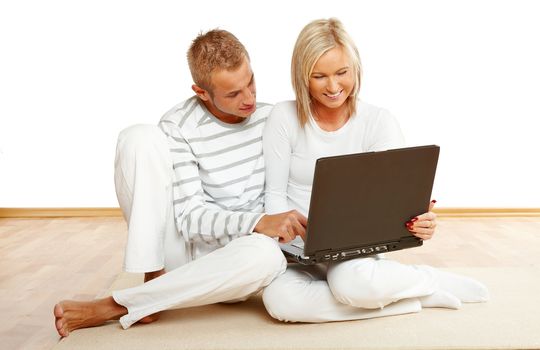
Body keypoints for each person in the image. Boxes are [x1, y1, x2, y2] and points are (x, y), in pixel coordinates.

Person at [53, 29, 306, 337]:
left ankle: (124, 304)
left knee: (267, 257)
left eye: (250, 81)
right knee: (139, 138)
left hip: (244, 254)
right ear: (202, 92)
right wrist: (258, 221)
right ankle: (154, 276)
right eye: (233, 94)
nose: (249, 98)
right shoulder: (179, 125)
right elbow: (190, 218)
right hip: (190, 250)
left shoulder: (273, 118)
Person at [261, 18, 489, 323]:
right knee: (280, 302)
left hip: (354, 252)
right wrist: (291, 242)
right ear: (302, 77)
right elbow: (274, 196)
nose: (333, 87)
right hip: (297, 254)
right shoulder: (283, 117)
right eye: (319, 76)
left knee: (350, 284)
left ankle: (426, 280)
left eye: (342, 73)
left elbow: (397, 198)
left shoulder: (378, 121)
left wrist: (420, 219)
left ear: (356, 68)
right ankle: (407, 298)